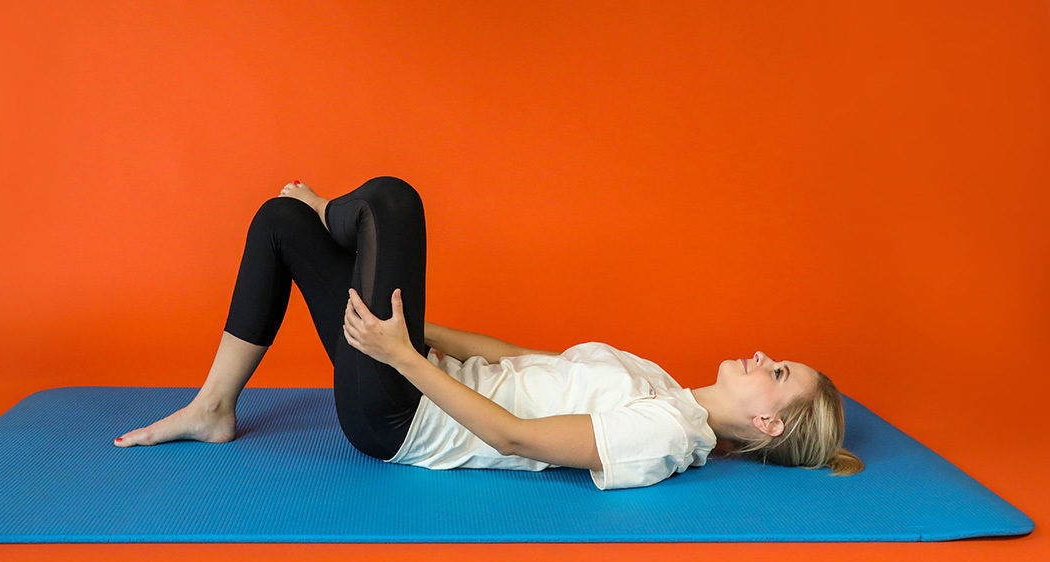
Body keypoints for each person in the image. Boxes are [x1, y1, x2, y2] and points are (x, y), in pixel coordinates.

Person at [113, 176, 864, 489]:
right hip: (411, 369)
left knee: (393, 204)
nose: (764, 358)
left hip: (401, 418)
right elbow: (523, 361)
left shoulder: (666, 436)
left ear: (768, 421)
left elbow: (517, 439)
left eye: (777, 373)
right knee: (277, 225)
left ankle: (324, 214)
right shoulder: (662, 382)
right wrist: (413, 329)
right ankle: (214, 406)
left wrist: (401, 356)